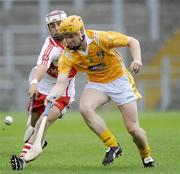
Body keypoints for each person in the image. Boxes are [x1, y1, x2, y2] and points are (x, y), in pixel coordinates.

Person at [46, 15, 155, 168]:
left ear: (81, 32)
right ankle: (113, 145)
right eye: (65, 37)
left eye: (71, 36)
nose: (68, 40)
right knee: (85, 108)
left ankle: (147, 156)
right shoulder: (67, 55)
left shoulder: (101, 38)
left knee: (133, 130)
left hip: (120, 82)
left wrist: (137, 60)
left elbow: (132, 41)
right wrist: (51, 96)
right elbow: (61, 83)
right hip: (97, 83)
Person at [10, 10, 77, 170]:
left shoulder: (77, 40)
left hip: (63, 94)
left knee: (42, 122)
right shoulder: (50, 45)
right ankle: (39, 140)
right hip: (42, 90)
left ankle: (22, 160)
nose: (56, 28)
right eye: (51, 26)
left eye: (58, 24)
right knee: (33, 123)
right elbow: (43, 64)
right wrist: (34, 82)